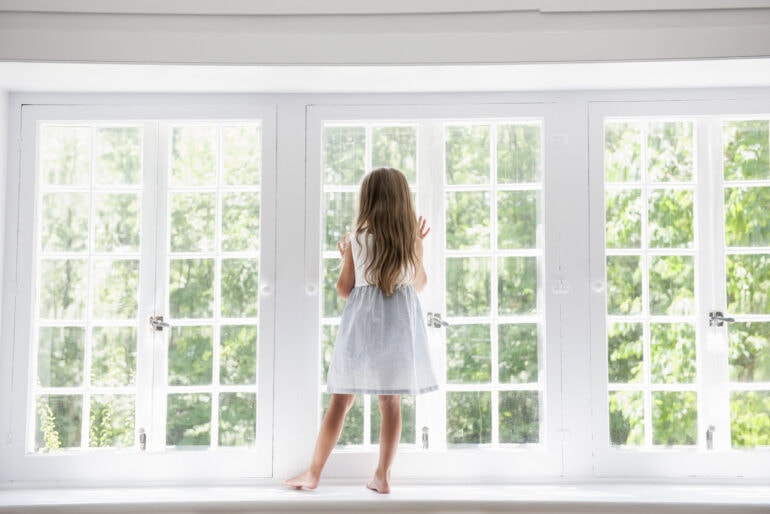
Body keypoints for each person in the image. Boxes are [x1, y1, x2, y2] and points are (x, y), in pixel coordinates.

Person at [285, 167, 438, 494]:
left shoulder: (358, 239)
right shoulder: (411, 240)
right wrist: (420, 249)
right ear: (402, 200)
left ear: (367, 199)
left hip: (363, 331)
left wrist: (346, 258)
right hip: (399, 333)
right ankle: (382, 476)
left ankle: (313, 473)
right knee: (391, 403)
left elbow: (344, 290)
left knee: (341, 401)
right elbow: (420, 284)